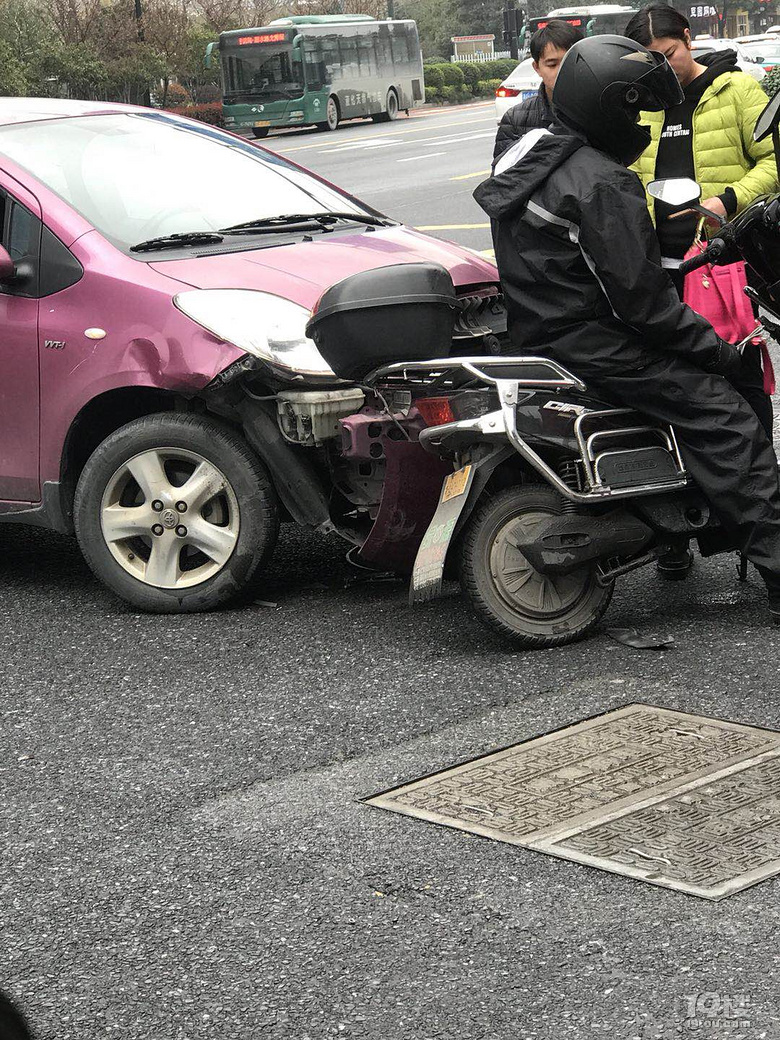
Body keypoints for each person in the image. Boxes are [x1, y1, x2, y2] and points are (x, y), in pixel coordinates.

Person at [473, 35, 780, 622]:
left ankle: (682, 528)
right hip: (597, 342)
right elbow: (645, 309)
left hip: (542, 329)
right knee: (725, 415)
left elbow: (585, 266)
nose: (642, 122)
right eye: (635, 109)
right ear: (607, 107)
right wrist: (718, 352)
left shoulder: (535, 152)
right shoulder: (601, 182)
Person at [493, 20, 584, 161]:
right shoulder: (515, 120)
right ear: (537, 68)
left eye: (569, 61)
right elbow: (504, 178)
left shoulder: (602, 110)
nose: (562, 70)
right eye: (552, 64)